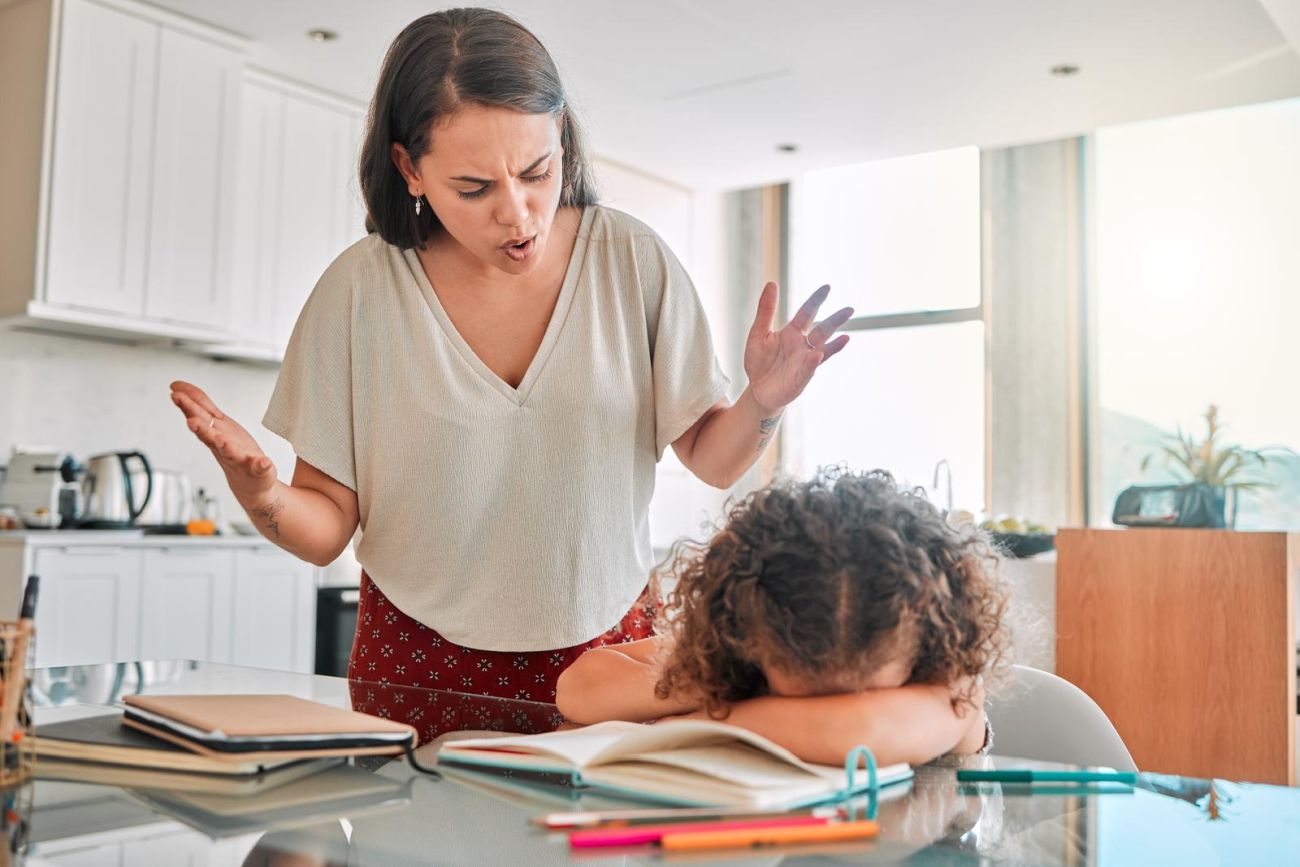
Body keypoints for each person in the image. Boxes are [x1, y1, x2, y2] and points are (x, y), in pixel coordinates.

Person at [168, 8, 852, 716]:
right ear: (409, 168)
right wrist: (265, 496)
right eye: (475, 188)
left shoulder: (630, 260)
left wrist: (762, 401)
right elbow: (328, 527)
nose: (519, 213)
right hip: (416, 660)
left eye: (538, 171)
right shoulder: (359, 292)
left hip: (608, 654)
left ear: (563, 139)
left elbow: (712, 459)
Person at [555, 468, 1011, 767]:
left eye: (857, 692)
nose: (826, 703)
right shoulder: (752, 641)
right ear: (752, 637)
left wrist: (691, 726)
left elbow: (859, 733)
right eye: (799, 690)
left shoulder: (954, 688)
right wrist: (710, 682)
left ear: (927, 639)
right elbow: (579, 688)